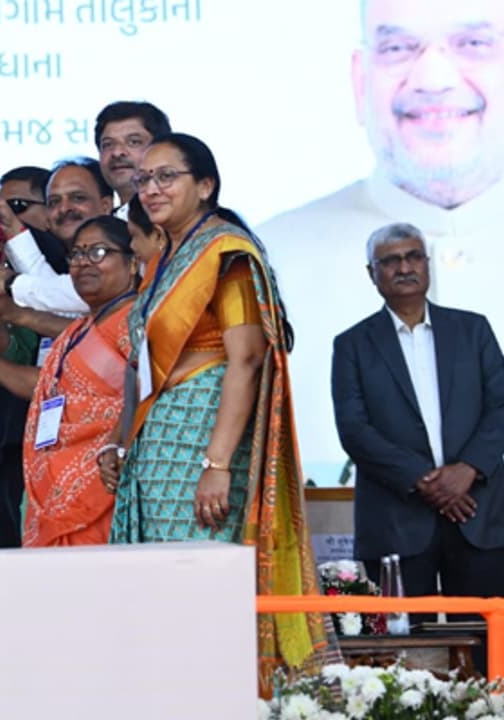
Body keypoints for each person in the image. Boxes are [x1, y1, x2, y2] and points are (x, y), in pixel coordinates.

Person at [99, 133, 336, 690]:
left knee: (198, 581)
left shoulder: (224, 252)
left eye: (166, 177)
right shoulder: (168, 257)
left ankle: (213, 694)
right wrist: (121, 441)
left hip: (201, 445)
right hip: (159, 450)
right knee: (162, 588)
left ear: (204, 185)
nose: (150, 188)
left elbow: (247, 357)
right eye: (143, 180)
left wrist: (218, 463)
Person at [258, 0, 504, 482]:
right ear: (360, 78)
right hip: (384, 526)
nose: (434, 78)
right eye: (398, 48)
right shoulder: (275, 251)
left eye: (473, 44)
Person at [332, 223, 504, 619]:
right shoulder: (352, 344)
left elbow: (499, 407)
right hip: (396, 519)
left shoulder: (473, 329)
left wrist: (468, 469)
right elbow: (354, 430)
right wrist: (427, 481)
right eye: (390, 261)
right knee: (404, 653)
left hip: (476, 512)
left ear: (427, 265)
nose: (404, 267)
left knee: (485, 646)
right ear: (371, 273)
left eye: (413, 257)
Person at [0, 216, 139, 547]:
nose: (84, 263)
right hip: (54, 492)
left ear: (133, 263)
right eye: (77, 254)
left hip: (103, 489)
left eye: (99, 252)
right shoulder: (81, 329)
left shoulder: (137, 325)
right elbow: (49, 387)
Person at [0, 166, 71, 547]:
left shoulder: (69, 276)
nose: (6, 218)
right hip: (10, 440)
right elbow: (1, 354)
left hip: (68, 444)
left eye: (17, 206)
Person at [0, 158, 114, 315]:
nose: (64, 208)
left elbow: (80, 296)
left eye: (78, 198)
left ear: (106, 206)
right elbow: (57, 299)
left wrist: (9, 283)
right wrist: (10, 230)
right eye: (54, 202)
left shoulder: (124, 248)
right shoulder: (65, 268)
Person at [94, 101, 172, 216]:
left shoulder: (179, 220)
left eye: (134, 142)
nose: (117, 153)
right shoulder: (102, 226)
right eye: (108, 144)